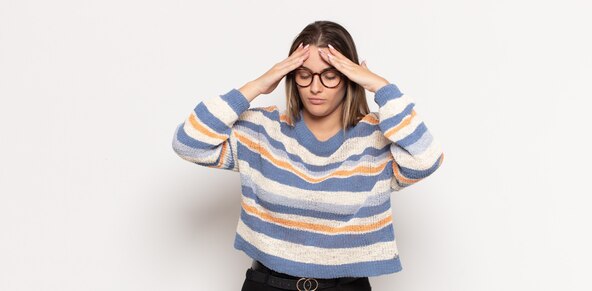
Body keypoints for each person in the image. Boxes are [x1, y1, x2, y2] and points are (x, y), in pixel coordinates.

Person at [172, 20, 444, 291]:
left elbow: (426, 158)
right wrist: (257, 85)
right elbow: (188, 142)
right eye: (304, 74)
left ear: (349, 77)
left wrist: (381, 87)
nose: (315, 87)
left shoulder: (375, 137)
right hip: (267, 284)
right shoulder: (262, 130)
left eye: (330, 75)